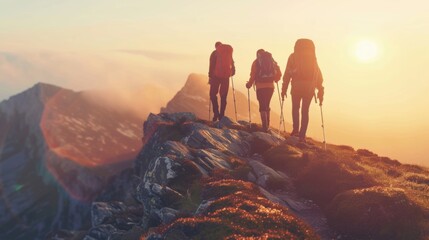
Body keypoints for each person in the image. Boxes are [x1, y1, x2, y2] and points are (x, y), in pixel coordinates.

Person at [281, 39, 324, 142]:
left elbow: (287, 73)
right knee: (305, 111)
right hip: (309, 88)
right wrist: (320, 90)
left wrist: (284, 89)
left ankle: (295, 130)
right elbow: (318, 75)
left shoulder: (293, 56)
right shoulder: (312, 58)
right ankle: (302, 135)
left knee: (295, 108)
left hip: (296, 86)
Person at [246, 49, 282, 132]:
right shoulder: (272, 61)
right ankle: (267, 125)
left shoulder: (256, 62)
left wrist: (249, 84)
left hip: (260, 87)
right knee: (267, 104)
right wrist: (276, 79)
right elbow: (279, 73)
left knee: (262, 105)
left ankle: (265, 126)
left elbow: (253, 75)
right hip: (270, 87)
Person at [208, 41, 235, 121]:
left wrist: (210, 77)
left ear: (216, 46)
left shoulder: (214, 53)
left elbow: (211, 66)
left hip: (216, 77)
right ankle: (222, 115)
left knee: (212, 94)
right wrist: (231, 73)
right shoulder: (228, 53)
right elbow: (232, 65)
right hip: (226, 77)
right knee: (223, 96)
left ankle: (216, 113)